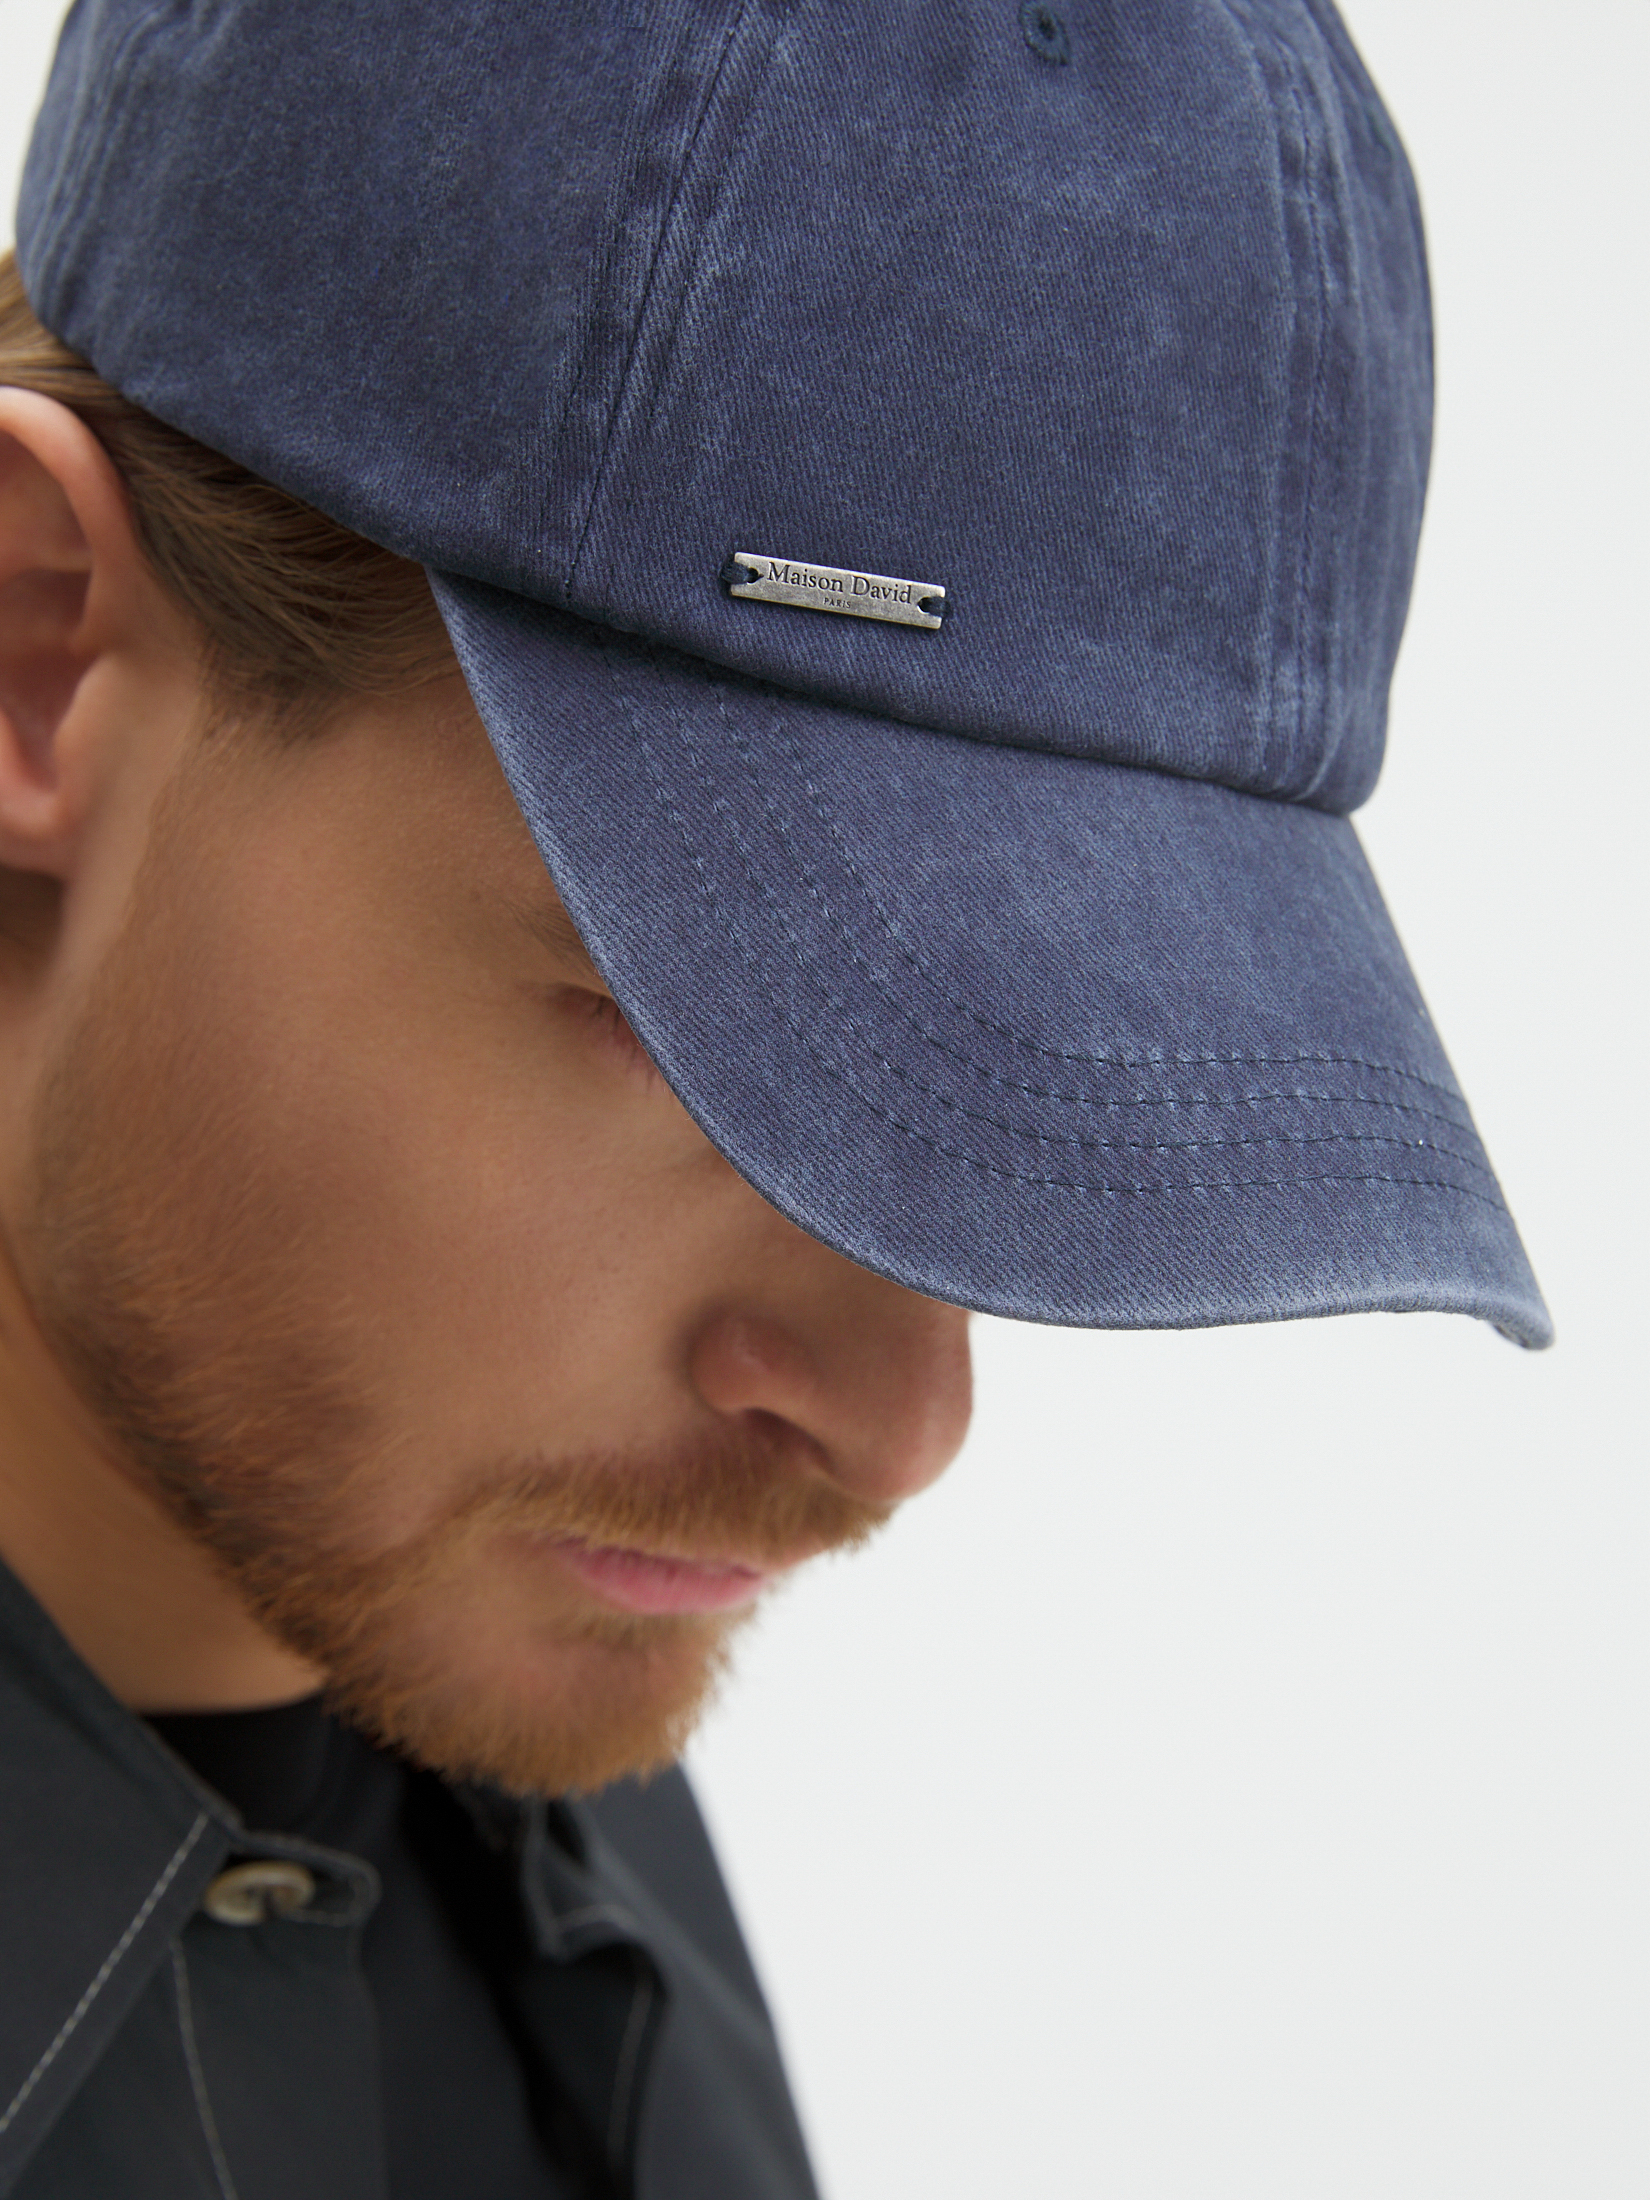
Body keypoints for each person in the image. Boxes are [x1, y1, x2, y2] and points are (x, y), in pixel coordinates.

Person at [0, 2, 1549, 2195]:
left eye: (994, 1079)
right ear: (37, 644)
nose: (906, 1420)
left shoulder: (508, 1755)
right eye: (693, 1029)